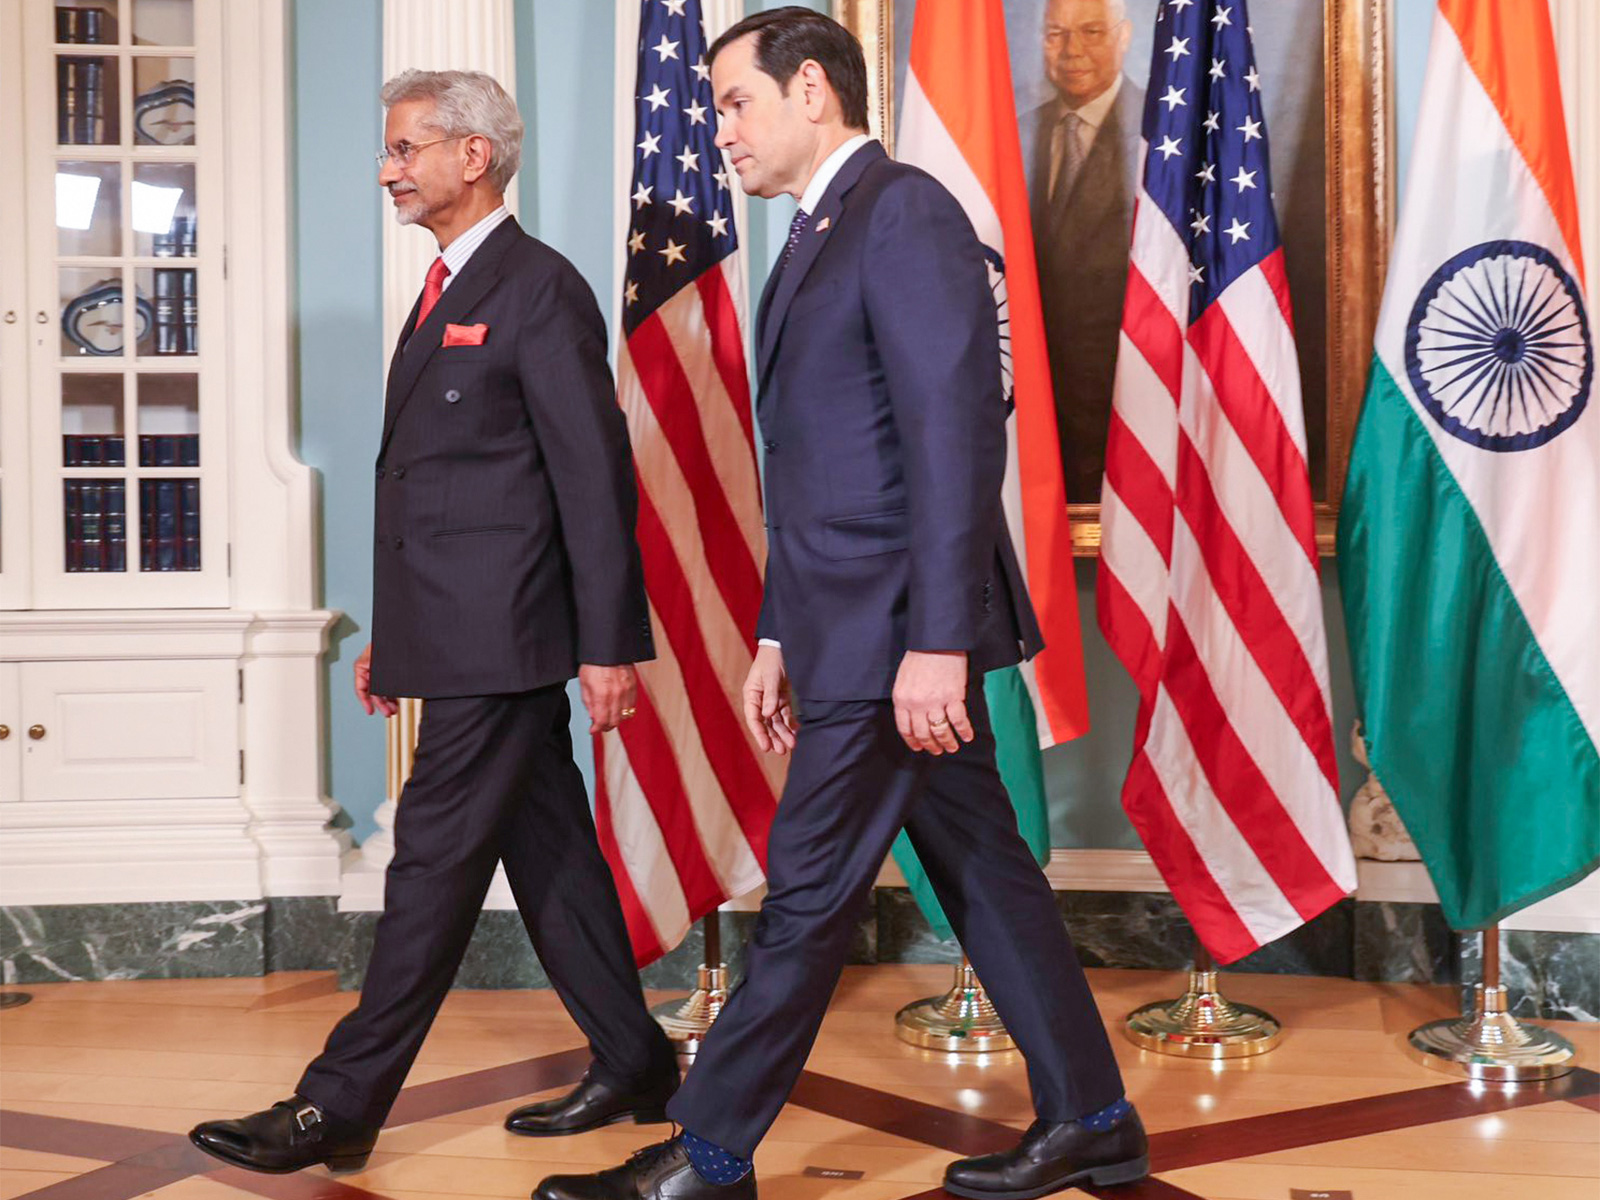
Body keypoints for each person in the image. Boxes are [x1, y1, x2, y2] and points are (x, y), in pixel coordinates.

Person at [534, 12, 1145, 1200]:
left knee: (807, 889)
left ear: (811, 90)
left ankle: (710, 1152)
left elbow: (950, 438)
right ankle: (1096, 1117)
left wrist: (937, 643)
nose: (717, 133)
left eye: (732, 104)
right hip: (847, 627)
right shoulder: (824, 230)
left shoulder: (903, 212)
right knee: (986, 877)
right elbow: (822, 470)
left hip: (894, 639)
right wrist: (775, 631)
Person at [188, 69, 678, 1176]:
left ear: (475, 155)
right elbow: (436, 488)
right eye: (388, 149)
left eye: (406, 149)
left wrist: (607, 645)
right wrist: (394, 640)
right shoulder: (447, 287)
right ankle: (636, 1059)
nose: (386, 169)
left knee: (429, 869)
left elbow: (591, 482)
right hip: (456, 634)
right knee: (550, 853)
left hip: (505, 641)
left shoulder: (536, 287)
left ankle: (337, 1104)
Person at [1018, 0, 1144, 501]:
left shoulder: (1163, 134)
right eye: (1056, 34)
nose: (1072, 51)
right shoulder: (1017, 131)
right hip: (1030, 408)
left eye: (1091, 31)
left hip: (1127, 410)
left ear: (1125, 35)